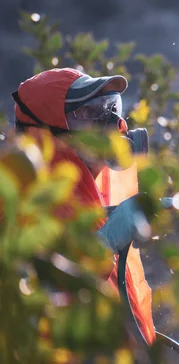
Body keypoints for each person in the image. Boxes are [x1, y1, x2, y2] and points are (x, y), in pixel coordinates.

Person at [12, 67, 156, 345]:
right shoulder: (26, 198)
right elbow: (43, 291)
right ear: (46, 132)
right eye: (89, 113)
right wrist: (104, 244)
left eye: (112, 107)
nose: (112, 121)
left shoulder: (90, 194)